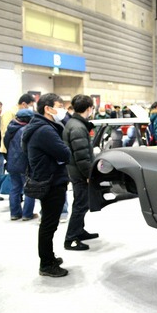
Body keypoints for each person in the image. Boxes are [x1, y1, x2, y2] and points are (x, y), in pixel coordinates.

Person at [22, 93, 71, 277]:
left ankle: (49, 257)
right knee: (49, 225)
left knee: (49, 223)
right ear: (48, 109)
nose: (62, 110)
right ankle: (46, 264)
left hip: (48, 178)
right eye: (59, 106)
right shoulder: (45, 130)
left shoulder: (40, 126)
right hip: (51, 182)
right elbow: (65, 153)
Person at [62, 94, 99, 251]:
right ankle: (71, 238)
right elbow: (82, 156)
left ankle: (79, 231)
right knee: (80, 204)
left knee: (82, 203)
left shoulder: (75, 123)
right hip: (79, 173)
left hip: (76, 171)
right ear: (89, 108)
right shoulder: (78, 127)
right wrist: (89, 175)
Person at [3, 109, 37, 221]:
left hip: (12, 163)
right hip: (25, 164)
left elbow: (6, 144)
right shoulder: (27, 130)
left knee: (15, 189)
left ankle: (15, 213)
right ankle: (27, 214)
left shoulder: (10, 129)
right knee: (29, 189)